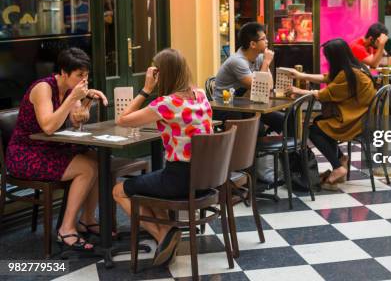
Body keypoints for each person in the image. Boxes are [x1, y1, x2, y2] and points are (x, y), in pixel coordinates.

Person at [113, 48, 213, 267]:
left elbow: (122, 119)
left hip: (179, 180)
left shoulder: (166, 104)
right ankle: (167, 233)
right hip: (207, 179)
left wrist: (146, 89)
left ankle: (164, 234)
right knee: (150, 185)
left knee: (119, 191)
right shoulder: (201, 95)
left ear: (161, 74)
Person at [5, 48, 108, 252]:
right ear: (63, 72)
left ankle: (87, 219)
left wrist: (87, 101)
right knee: (86, 168)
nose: (83, 80)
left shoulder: (72, 89)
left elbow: (77, 119)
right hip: (26, 153)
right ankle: (65, 228)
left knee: (98, 159)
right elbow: (49, 126)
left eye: (86, 75)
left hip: (50, 148)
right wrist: (73, 98)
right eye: (79, 75)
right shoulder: (43, 88)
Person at [289, 39, 376, 190]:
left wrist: (298, 91)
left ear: (335, 57)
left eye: (328, 57)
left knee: (314, 131)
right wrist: (301, 76)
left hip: (356, 120)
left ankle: (338, 167)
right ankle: (341, 159)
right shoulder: (356, 68)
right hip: (360, 115)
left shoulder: (349, 75)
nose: (327, 60)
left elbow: (323, 94)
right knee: (319, 123)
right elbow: (326, 77)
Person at [213, 22, 286, 135]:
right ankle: (253, 151)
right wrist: (266, 62)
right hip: (226, 108)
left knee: (285, 120)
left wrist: (264, 62)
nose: (267, 41)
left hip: (245, 105)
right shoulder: (237, 61)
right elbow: (259, 87)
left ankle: (290, 152)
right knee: (257, 129)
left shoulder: (260, 57)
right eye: (264, 39)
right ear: (253, 44)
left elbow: (270, 86)